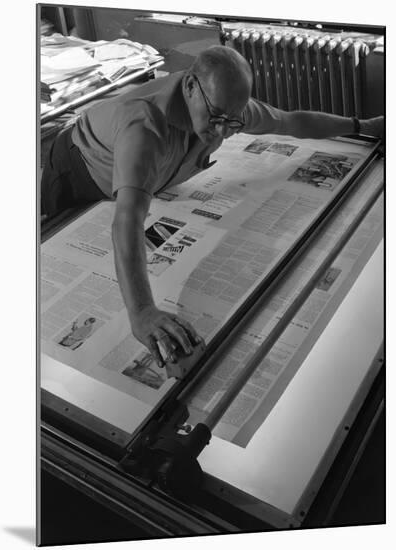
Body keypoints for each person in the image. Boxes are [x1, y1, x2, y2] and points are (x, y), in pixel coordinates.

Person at [41, 45, 384, 367]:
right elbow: (127, 220)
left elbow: (292, 121)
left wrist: (363, 127)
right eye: (216, 117)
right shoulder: (143, 126)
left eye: (232, 122)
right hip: (76, 173)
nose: (222, 129)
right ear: (190, 86)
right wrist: (143, 311)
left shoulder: (224, 108)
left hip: (147, 178)